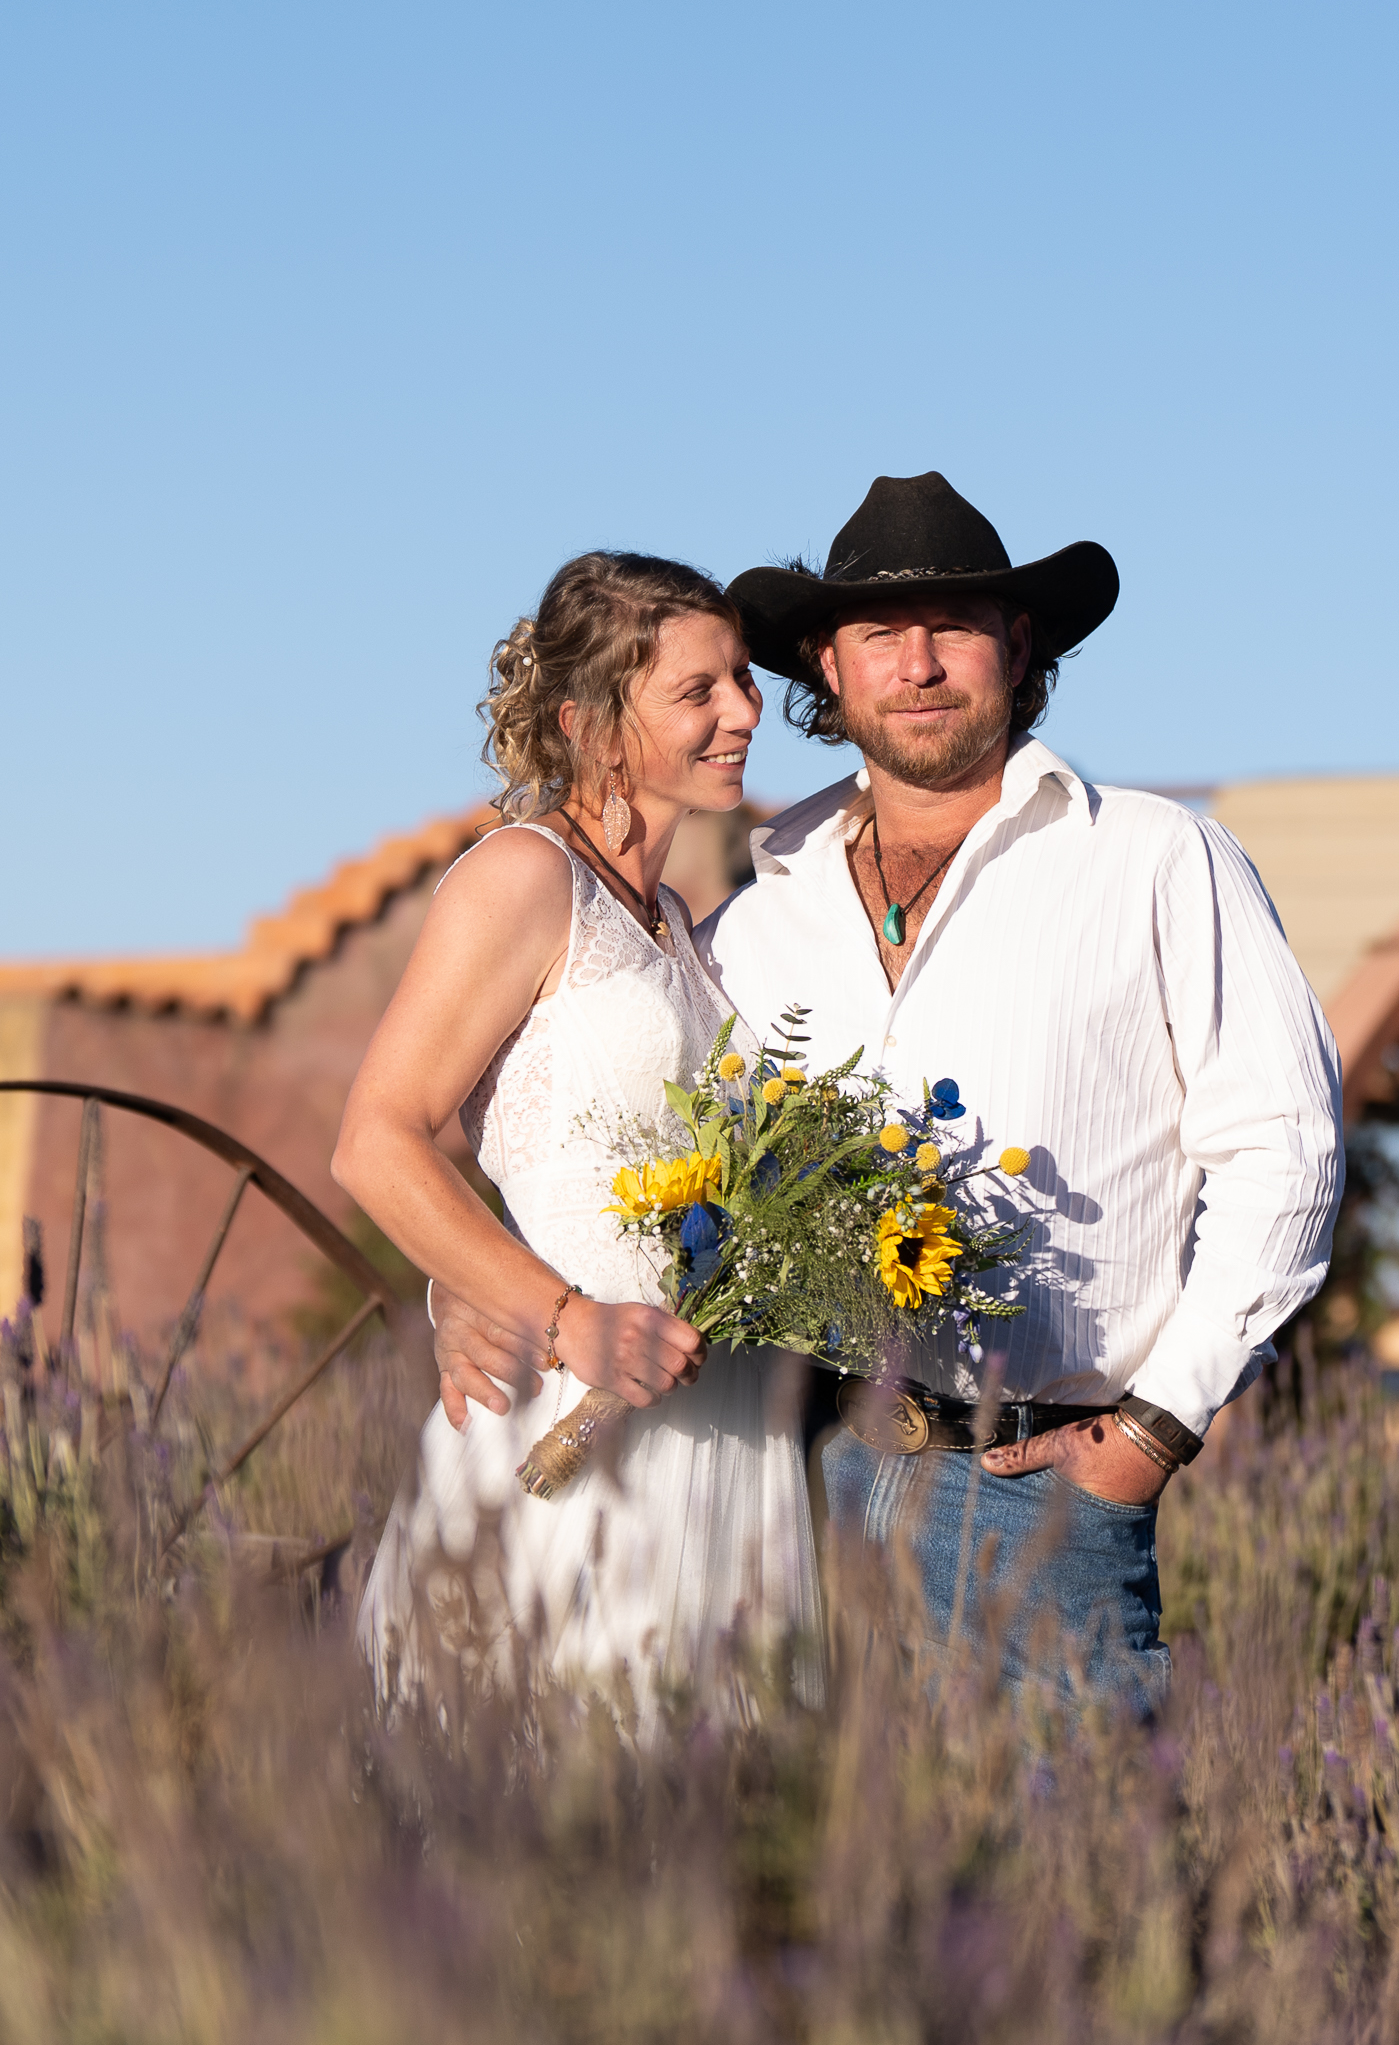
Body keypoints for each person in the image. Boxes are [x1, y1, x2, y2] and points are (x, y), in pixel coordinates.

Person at [431, 474, 1345, 1711]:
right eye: (878, 634)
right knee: (833, 1882)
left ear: (1020, 648)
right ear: (828, 665)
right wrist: (474, 1286)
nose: (918, 663)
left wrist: (1151, 1432)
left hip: (1040, 1480)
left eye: (957, 624)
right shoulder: (759, 922)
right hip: (791, 1470)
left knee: (1077, 1868)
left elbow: (1284, 1151)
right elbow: (594, 1118)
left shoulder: (1153, 860)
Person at [336, 551, 821, 1712]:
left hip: (722, 1423)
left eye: (743, 681)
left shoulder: (681, 921)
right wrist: (557, 1320)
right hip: (570, 1418)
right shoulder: (522, 875)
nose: (744, 712)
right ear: (593, 723)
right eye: (698, 692)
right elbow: (377, 1138)